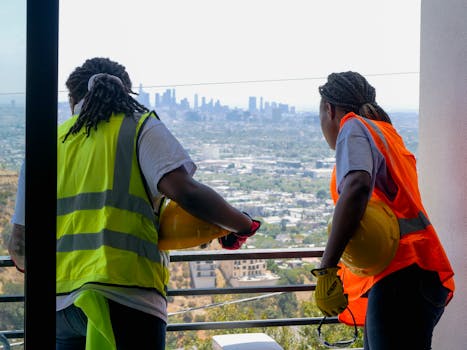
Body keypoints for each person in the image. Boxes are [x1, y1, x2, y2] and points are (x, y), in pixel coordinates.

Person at [8, 57, 260, 350]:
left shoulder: (46, 142)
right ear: (125, 93)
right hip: (127, 299)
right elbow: (186, 192)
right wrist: (243, 224)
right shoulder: (140, 127)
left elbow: (20, 244)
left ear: (71, 101)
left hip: (59, 308)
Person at [311, 71, 455, 349]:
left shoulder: (352, 127)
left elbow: (357, 187)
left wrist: (326, 268)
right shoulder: (385, 133)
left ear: (329, 110)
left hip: (400, 280)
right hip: (415, 275)